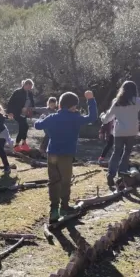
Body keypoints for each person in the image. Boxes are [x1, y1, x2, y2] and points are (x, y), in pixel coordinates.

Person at [34, 91, 97, 223]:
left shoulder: (52, 118)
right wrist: (91, 100)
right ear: (73, 106)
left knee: (53, 181)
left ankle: (53, 210)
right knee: (65, 181)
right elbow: (92, 117)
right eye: (75, 107)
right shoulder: (75, 118)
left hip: (52, 154)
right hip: (66, 155)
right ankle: (64, 207)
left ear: (60, 105)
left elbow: (37, 125)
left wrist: (41, 118)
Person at [100, 81, 140, 188]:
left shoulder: (116, 101)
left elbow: (107, 119)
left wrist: (102, 116)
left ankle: (110, 174)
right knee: (127, 152)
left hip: (119, 133)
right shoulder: (136, 101)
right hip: (131, 132)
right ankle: (122, 173)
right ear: (134, 90)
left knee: (116, 152)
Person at [7, 79, 36, 152]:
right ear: (24, 85)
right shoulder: (17, 92)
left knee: (25, 126)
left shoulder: (30, 93)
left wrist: (30, 110)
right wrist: (9, 112)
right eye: (28, 86)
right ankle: (18, 145)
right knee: (23, 126)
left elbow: (32, 103)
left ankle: (23, 143)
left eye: (30, 87)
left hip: (25, 113)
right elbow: (11, 102)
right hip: (17, 113)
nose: (29, 88)